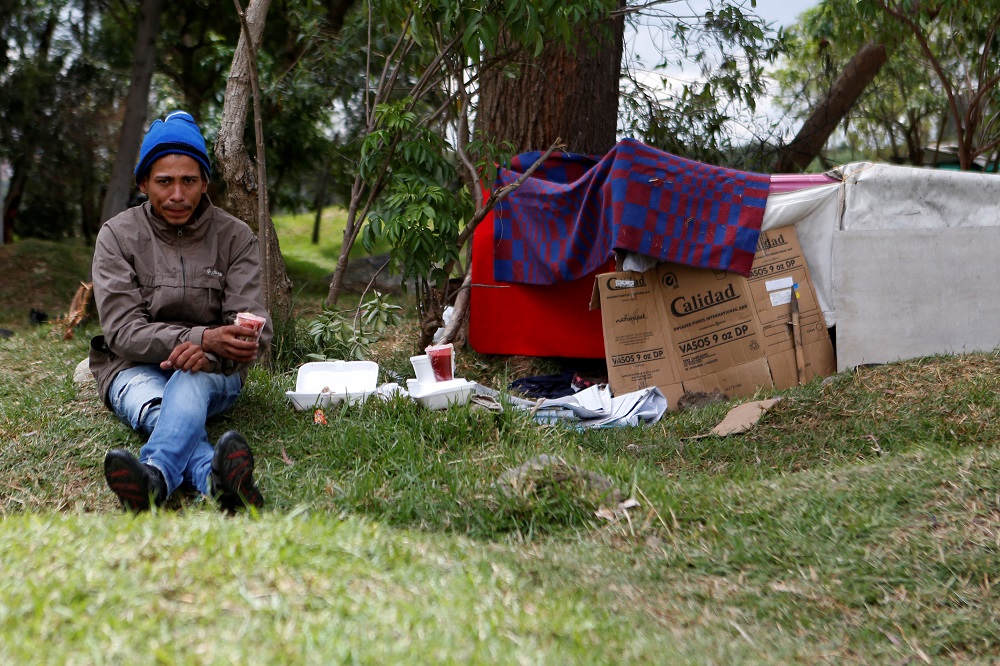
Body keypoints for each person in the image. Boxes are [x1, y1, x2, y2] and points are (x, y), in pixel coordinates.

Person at [89, 110, 271, 512]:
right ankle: (216, 481)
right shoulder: (117, 236)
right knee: (158, 407)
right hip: (132, 368)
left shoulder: (236, 237)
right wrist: (198, 337)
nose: (177, 195)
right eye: (164, 182)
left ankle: (153, 478)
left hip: (209, 370)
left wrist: (212, 352)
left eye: (189, 181)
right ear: (143, 183)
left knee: (188, 380)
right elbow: (122, 332)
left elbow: (254, 326)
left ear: (205, 182)